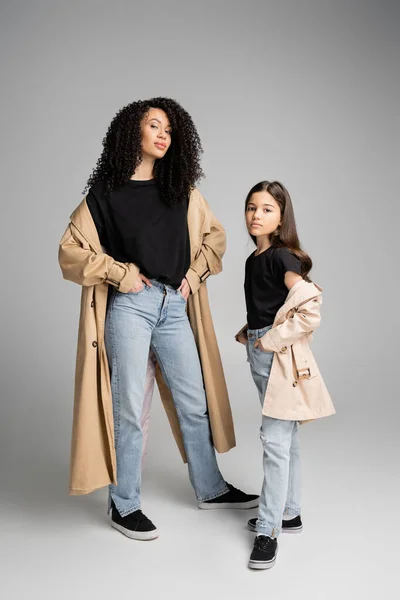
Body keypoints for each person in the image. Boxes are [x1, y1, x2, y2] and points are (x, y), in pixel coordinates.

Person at [59, 97, 258, 542]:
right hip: (130, 306)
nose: (163, 134)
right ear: (133, 132)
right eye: (154, 125)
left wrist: (192, 275)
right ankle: (123, 502)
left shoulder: (181, 191)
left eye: (169, 128)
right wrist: (119, 273)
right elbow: (70, 252)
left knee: (194, 400)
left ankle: (210, 488)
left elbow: (215, 237)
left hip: (172, 306)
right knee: (130, 406)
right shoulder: (103, 197)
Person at [235, 180, 335, 569]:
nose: (256, 215)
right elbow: (271, 304)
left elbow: (309, 305)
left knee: (274, 441)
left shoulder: (280, 257)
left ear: (280, 218)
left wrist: (269, 340)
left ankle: (269, 530)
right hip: (261, 352)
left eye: (266, 209)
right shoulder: (253, 260)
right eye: (251, 207)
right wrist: (252, 332)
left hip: (278, 358)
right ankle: (288, 511)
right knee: (286, 436)